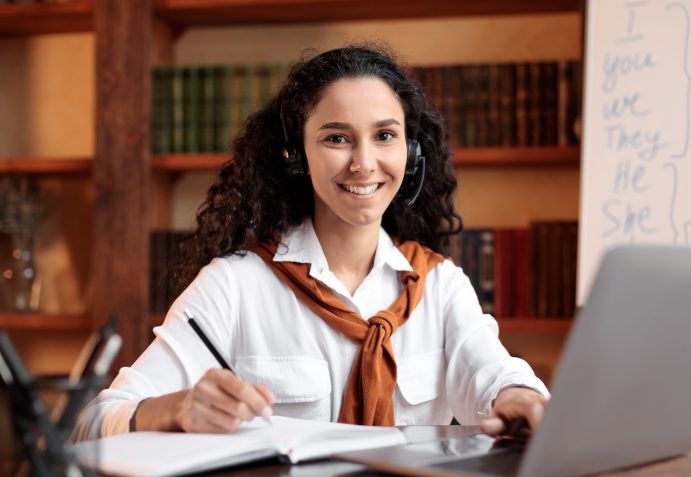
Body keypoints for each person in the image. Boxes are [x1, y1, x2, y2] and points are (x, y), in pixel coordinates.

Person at [74, 44, 549, 442]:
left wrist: (520, 398)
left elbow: (499, 378)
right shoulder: (235, 285)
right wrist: (175, 409)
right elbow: (91, 422)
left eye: (385, 135)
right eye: (337, 138)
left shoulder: (439, 286)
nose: (364, 163)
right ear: (297, 155)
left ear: (411, 151)